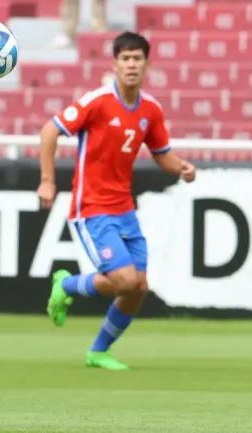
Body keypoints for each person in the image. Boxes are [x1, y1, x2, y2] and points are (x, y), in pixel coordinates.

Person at [37, 31, 196, 370]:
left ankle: (97, 351)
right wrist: (48, 181)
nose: (132, 65)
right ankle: (64, 284)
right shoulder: (96, 101)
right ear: (115, 64)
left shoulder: (150, 110)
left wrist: (181, 168)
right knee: (124, 280)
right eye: (125, 59)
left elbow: (161, 153)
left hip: (124, 208)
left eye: (138, 58)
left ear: (147, 64)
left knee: (138, 286)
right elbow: (49, 131)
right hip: (91, 207)